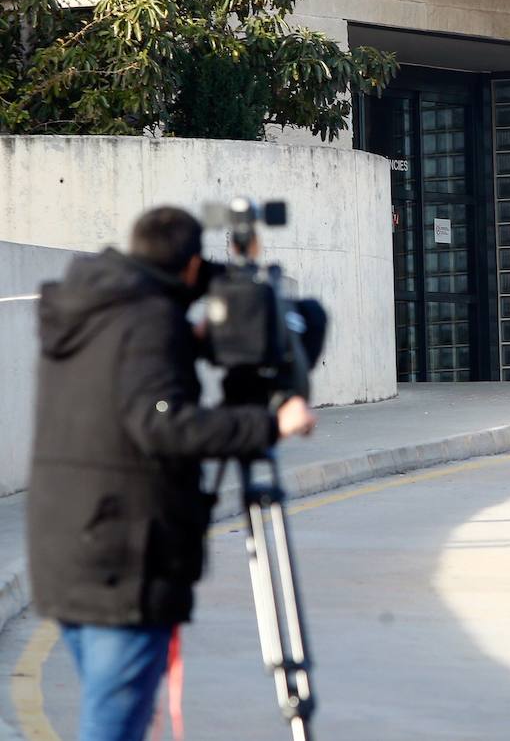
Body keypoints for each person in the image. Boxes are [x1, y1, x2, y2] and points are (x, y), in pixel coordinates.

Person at [26, 206, 317, 741]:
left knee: (110, 707)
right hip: (124, 559)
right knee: (114, 724)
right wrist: (268, 424)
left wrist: (197, 313)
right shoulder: (147, 320)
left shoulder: (94, 308)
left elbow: (131, 389)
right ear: (186, 268)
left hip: (69, 547)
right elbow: (163, 424)